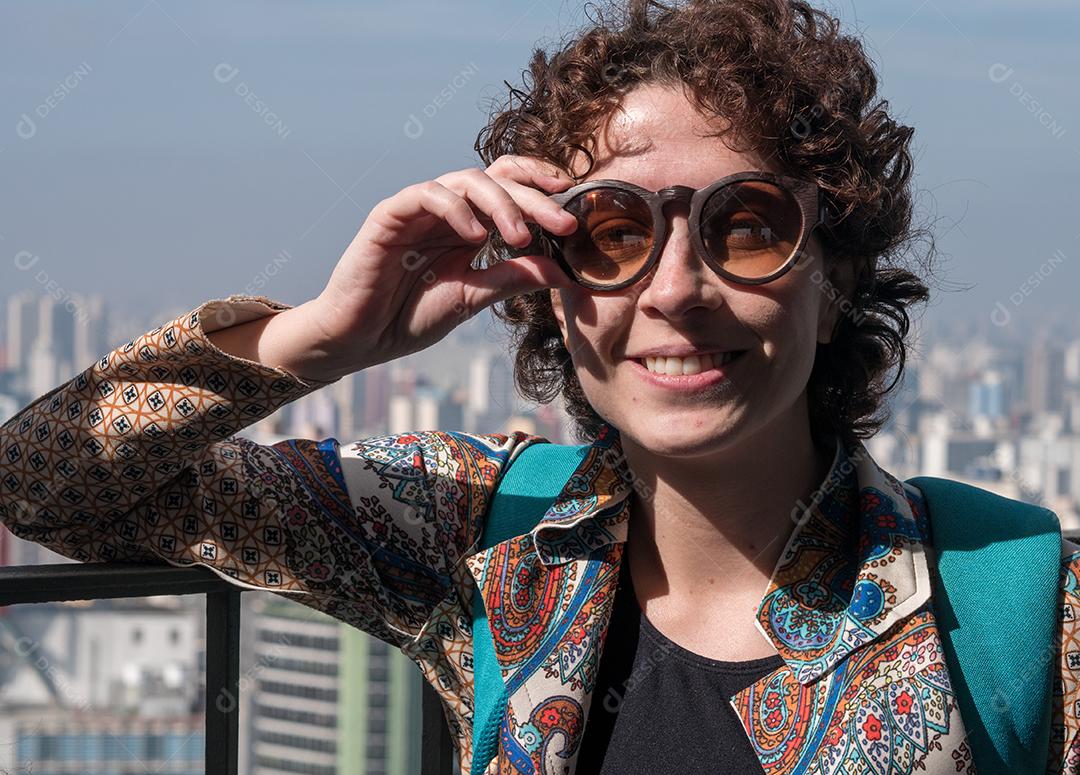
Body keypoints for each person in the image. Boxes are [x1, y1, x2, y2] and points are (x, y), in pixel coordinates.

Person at [2, 0, 1078, 773]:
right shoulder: (485, 538)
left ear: (835, 278)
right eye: (613, 235)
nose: (677, 290)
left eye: (747, 227)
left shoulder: (1023, 602)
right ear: (550, 287)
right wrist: (319, 339)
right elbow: (49, 485)